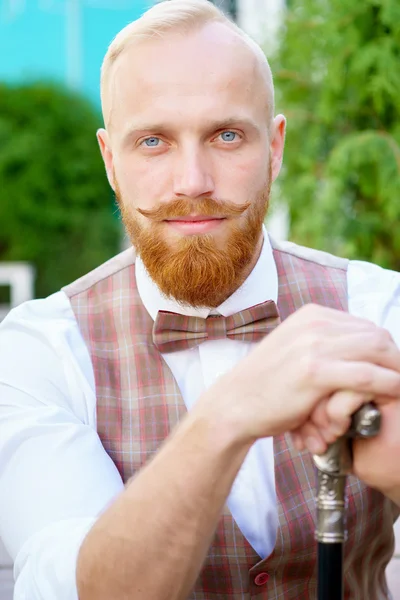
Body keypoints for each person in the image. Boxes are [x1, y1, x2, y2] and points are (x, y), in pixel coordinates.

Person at [0, 1, 400, 598]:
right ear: (112, 162)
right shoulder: (36, 351)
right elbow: (81, 587)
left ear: (275, 148)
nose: (193, 181)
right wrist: (230, 412)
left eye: (227, 134)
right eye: (154, 141)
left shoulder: (382, 309)